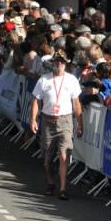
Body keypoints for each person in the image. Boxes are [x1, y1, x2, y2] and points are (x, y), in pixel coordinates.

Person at [30, 52, 83, 200]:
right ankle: (50, 181)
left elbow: (76, 103)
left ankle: (63, 188)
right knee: (47, 157)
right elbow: (35, 100)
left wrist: (80, 124)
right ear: (53, 62)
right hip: (47, 120)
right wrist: (33, 119)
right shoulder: (44, 79)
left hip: (65, 120)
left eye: (62, 61)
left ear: (66, 63)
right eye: (57, 61)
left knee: (64, 154)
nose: (59, 63)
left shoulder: (71, 80)